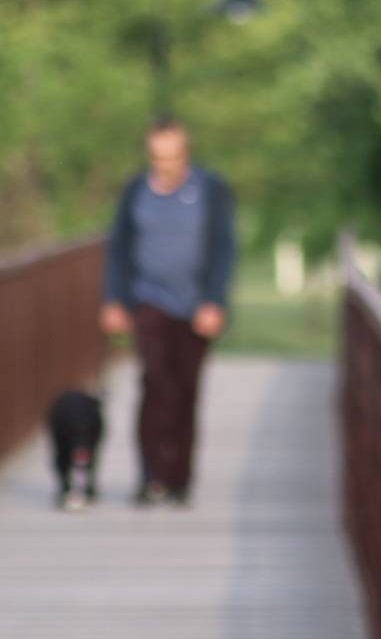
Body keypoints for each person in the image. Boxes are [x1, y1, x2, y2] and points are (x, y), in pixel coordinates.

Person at [100, 118, 235, 506]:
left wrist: (214, 301)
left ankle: (180, 479)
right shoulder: (135, 192)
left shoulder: (209, 190)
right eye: (158, 158)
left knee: (185, 391)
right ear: (149, 156)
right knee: (155, 383)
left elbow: (224, 247)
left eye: (172, 157)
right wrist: (114, 300)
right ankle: (149, 476)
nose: (165, 166)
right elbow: (118, 248)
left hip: (195, 307)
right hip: (149, 301)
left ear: (185, 154)